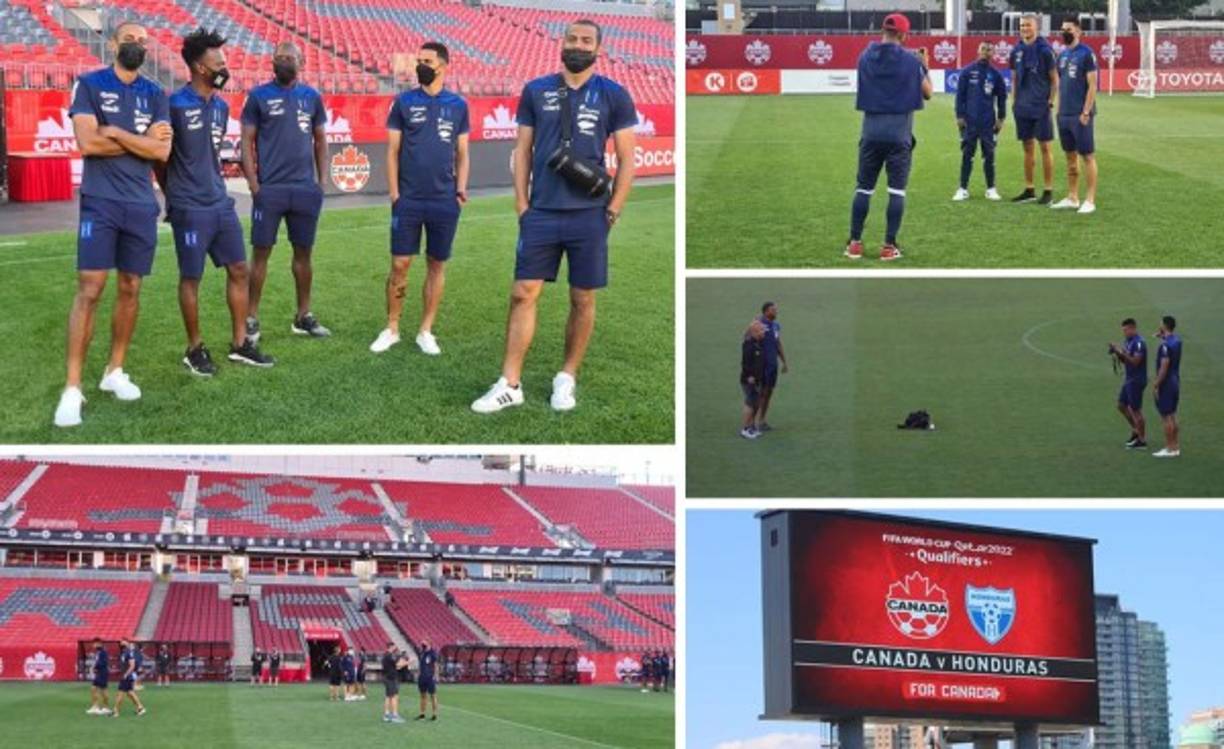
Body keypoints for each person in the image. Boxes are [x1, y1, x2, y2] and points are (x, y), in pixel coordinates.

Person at [471, 19, 637, 413]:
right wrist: (521, 203)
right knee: (522, 293)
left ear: (598, 49)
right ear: (561, 43)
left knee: (582, 298)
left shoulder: (614, 94)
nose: (577, 45)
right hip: (542, 211)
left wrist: (614, 208)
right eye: (571, 39)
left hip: (590, 215)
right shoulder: (536, 90)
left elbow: (627, 158)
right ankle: (510, 383)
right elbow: (523, 151)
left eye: (586, 40)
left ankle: (566, 377)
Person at [54, 21, 171, 428]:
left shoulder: (155, 93)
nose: (137, 45)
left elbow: (162, 151)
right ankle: (72, 388)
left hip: (140, 204)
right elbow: (88, 142)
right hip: (100, 202)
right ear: (112, 43)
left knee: (131, 287)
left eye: (143, 41)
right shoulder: (89, 84)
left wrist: (117, 132)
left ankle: (114, 371)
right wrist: (141, 140)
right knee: (90, 288)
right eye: (129, 39)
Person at [158, 27, 273, 376]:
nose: (225, 69)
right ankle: (194, 349)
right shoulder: (174, 104)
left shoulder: (222, 106)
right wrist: (174, 195)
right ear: (199, 67)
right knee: (191, 277)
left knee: (239, 269)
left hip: (220, 203)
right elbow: (159, 159)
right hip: (189, 206)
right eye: (219, 64)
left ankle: (240, 344)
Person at [370, 41, 470, 357]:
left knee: (436, 265)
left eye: (427, 61)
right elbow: (392, 151)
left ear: (443, 66)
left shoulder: (458, 105)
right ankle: (392, 327)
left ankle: (426, 330)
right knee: (400, 264)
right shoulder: (403, 102)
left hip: (444, 200)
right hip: (409, 199)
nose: (420, 66)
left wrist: (460, 190)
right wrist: (395, 194)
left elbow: (463, 153)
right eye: (419, 60)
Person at [240, 41, 331, 341]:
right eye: (279, 57)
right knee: (261, 254)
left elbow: (320, 140)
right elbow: (246, 142)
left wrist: (321, 182)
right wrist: (254, 184)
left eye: (289, 58)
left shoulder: (312, 97)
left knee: (304, 255)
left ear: (301, 62)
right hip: (271, 190)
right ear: (272, 62)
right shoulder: (258, 96)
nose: (284, 61)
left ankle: (303, 316)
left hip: (304, 189)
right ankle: (251, 317)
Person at [844, 13, 932, 262]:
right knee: (896, 191)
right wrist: (925, 66)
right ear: (903, 35)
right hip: (899, 134)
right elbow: (928, 93)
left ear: (883, 30)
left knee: (864, 188)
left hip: (871, 132)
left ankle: (855, 244)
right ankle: (888, 246)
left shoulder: (864, 57)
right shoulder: (911, 60)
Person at [1050, 18, 1099, 214]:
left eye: (1068, 29)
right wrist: (1058, 110)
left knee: (1087, 156)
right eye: (1062, 29)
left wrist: (1086, 111)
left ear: (1078, 31)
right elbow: (1061, 85)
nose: (1064, 32)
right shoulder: (1062, 56)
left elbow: (1093, 85)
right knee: (1070, 157)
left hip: (1081, 115)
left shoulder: (1087, 54)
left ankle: (1090, 200)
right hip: (1064, 114)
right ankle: (1072, 197)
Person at [1008, 15, 1058, 204]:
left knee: (1045, 147)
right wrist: (1014, 101)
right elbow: (1014, 78)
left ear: (1036, 27)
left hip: (1040, 106)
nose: (1024, 28)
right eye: (1022, 25)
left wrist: (1050, 101)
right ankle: (1029, 189)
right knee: (1027, 147)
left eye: (1028, 25)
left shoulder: (1045, 50)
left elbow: (1055, 79)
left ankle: (1048, 190)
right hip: (1022, 106)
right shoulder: (1016, 50)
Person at [953, 42, 1007, 202]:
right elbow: (960, 96)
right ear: (978, 51)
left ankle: (991, 189)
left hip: (988, 122)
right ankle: (962, 189)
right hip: (969, 121)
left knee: (989, 155)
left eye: (989, 50)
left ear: (993, 54)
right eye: (983, 49)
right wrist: (959, 116)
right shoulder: (967, 72)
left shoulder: (996, 75)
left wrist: (1001, 118)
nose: (986, 52)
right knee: (967, 154)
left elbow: (1002, 98)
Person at [1109, 318, 1147, 449]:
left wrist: (1121, 352)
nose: (1124, 333)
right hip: (1129, 379)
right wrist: (1116, 352)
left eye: (1126, 330)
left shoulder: (1139, 343)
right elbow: (1125, 361)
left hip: (1137, 380)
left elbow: (1135, 362)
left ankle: (1142, 441)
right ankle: (1136, 430)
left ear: (1133, 328)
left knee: (1136, 410)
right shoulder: (1128, 341)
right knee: (1121, 405)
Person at [755, 302, 788, 432]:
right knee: (760, 393)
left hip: (772, 365)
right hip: (761, 365)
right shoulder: (758, 324)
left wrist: (784, 362)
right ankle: (752, 422)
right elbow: (750, 342)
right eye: (773, 310)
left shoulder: (776, 326)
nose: (775, 312)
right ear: (765, 312)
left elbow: (778, 343)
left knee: (768, 392)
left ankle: (762, 421)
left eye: (776, 310)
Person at [1152, 316, 1182, 458]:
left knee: (1166, 417)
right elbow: (1170, 344)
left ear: (1164, 325)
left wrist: (1157, 383)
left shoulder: (1165, 346)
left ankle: (1169, 449)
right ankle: (1175, 447)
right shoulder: (1176, 341)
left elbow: (1164, 366)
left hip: (1166, 383)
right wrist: (1163, 336)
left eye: (1161, 324)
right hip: (1175, 381)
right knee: (1173, 415)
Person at [740, 320, 766, 440]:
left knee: (755, 403)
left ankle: (751, 427)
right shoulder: (749, 345)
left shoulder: (758, 343)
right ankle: (745, 429)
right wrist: (749, 376)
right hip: (750, 380)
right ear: (755, 332)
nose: (763, 332)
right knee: (750, 403)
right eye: (761, 330)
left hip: (758, 379)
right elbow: (745, 363)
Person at [112, 638, 146, 717]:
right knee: (130, 693)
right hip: (126, 676)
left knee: (120, 693)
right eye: (121, 642)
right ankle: (140, 708)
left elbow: (132, 665)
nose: (121, 643)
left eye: (123, 642)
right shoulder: (124, 653)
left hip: (127, 677)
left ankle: (115, 711)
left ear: (127, 643)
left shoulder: (129, 653)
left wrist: (126, 674)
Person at [382, 643, 410, 722]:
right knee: (394, 696)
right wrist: (408, 662)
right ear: (391, 647)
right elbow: (398, 664)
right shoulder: (389, 656)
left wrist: (402, 662)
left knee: (388, 696)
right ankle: (394, 715)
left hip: (388, 677)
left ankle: (387, 714)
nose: (395, 648)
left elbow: (396, 666)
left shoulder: (386, 655)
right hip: (390, 678)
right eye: (394, 647)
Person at [87, 638, 112, 715]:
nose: (93, 645)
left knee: (103, 690)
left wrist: (95, 667)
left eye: (94, 643)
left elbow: (103, 663)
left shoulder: (103, 652)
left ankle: (106, 707)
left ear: (99, 643)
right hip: (99, 673)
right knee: (93, 688)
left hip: (103, 673)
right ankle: (95, 706)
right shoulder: (98, 652)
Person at [416, 640, 438, 720]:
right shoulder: (422, 653)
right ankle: (422, 714)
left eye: (424, 643)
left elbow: (436, 665)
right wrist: (418, 674)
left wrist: (435, 675)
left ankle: (434, 714)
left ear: (429, 643)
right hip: (422, 677)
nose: (422, 644)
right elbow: (420, 664)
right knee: (423, 695)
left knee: (433, 695)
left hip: (430, 677)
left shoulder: (433, 653)